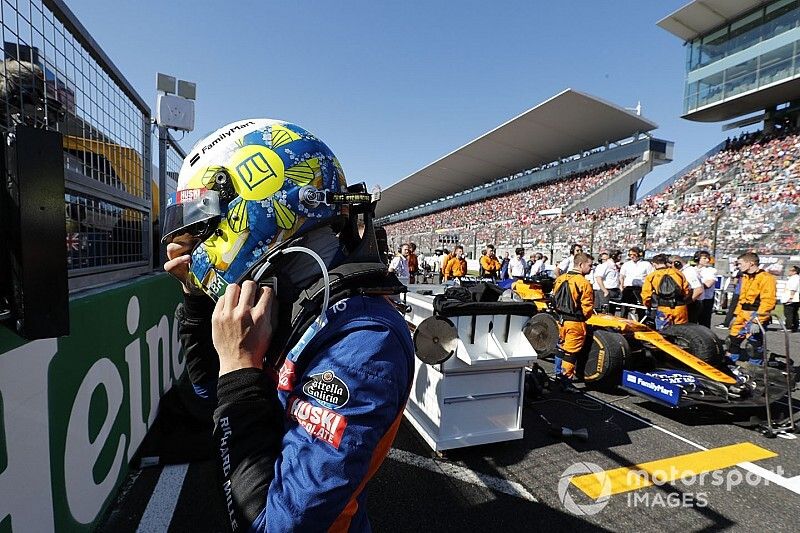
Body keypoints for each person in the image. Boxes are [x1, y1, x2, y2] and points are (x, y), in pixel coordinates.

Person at [161, 119, 414, 532]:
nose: (196, 242)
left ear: (261, 200)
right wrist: (194, 302)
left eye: (204, 225)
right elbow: (214, 394)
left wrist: (241, 365)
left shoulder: (365, 342)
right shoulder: (295, 298)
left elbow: (271, 525)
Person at [726, 252, 777, 363]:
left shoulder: (766, 278)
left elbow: (768, 301)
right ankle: (729, 363)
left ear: (751, 263)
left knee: (753, 345)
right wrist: (735, 315)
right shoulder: (745, 277)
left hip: (756, 314)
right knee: (732, 340)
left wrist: (757, 321)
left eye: (740, 264)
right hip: (742, 313)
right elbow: (742, 298)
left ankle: (755, 368)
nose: (738, 266)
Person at [552, 253, 594, 384]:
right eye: (590, 265)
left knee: (561, 348)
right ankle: (565, 382)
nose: (591, 268)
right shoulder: (584, 282)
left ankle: (558, 375)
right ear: (581, 265)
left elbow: (554, 298)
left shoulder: (560, 278)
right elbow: (587, 307)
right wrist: (584, 317)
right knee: (570, 354)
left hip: (560, 321)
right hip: (575, 323)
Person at [640, 254, 691, 331]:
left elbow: (646, 295)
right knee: (682, 332)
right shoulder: (678, 273)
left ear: (654, 264)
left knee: (664, 332)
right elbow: (686, 291)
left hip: (663, 308)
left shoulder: (652, 276)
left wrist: (648, 305)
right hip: (680, 307)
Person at [619, 246, 653, 317]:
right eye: (630, 255)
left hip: (640, 288)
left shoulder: (646, 264)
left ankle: (642, 322)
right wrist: (621, 286)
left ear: (639, 254)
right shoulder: (626, 264)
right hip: (628, 288)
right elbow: (622, 276)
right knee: (624, 306)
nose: (632, 256)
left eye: (634, 255)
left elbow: (650, 277)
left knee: (641, 307)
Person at [695, 251, 717, 328]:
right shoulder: (693, 269)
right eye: (704, 258)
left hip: (706, 299)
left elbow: (708, 284)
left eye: (708, 258)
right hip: (695, 298)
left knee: (704, 322)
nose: (707, 260)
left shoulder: (711, 270)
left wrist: (695, 285)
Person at [680, 256, 705, 323]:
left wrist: (686, 303)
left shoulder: (688, 272)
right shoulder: (688, 271)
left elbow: (698, 290)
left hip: (692, 303)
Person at [782, 265, 799, 332]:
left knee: (788, 313)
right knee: (794, 313)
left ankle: (788, 327)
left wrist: (791, 297)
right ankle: (795, 327)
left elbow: (793, 288)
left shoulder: (794, 278)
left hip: (791, 298)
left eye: (790, 270)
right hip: (795, 299)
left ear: (795, 272)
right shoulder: (796, 278)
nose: (789, 272)